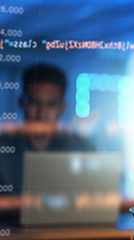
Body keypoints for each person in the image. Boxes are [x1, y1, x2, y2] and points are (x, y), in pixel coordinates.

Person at [0, 64, 94, 195]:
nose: (42, 113)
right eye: (34, 102)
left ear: (62, 107)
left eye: (51, 104)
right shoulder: (2, 150)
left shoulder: (83, 150)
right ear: (21, 103)